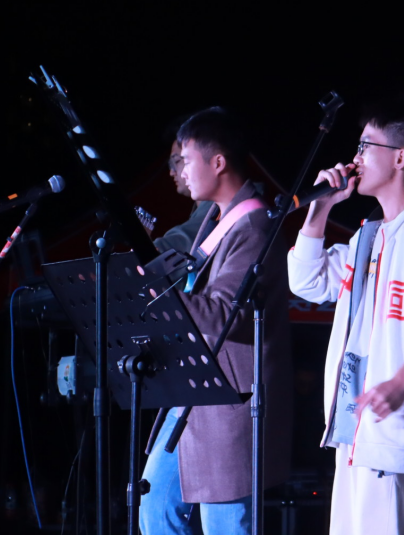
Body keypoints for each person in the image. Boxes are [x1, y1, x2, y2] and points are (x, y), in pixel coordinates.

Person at [287, 107, 404, 535]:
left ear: (400, 157)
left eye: (365, 147)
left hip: (395, 428)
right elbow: (307, 281)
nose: (354, 158)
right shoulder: (368, 235)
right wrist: (320, 209)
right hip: (354, 427)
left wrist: (400, 381)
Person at [141, 107, 293, 535]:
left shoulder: (254, 226)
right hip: (194, 393)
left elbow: (229, 313)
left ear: (218, 162)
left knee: (223, 523)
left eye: (186, 160)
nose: (181, 172)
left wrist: (163, 294)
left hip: (228, 403)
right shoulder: (214, 219)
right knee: (155, 506)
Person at [155, 137, 214, 255]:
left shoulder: (217, 207)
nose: (172, 172)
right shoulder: (200, 210)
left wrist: (150, 248)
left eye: (177, 161)